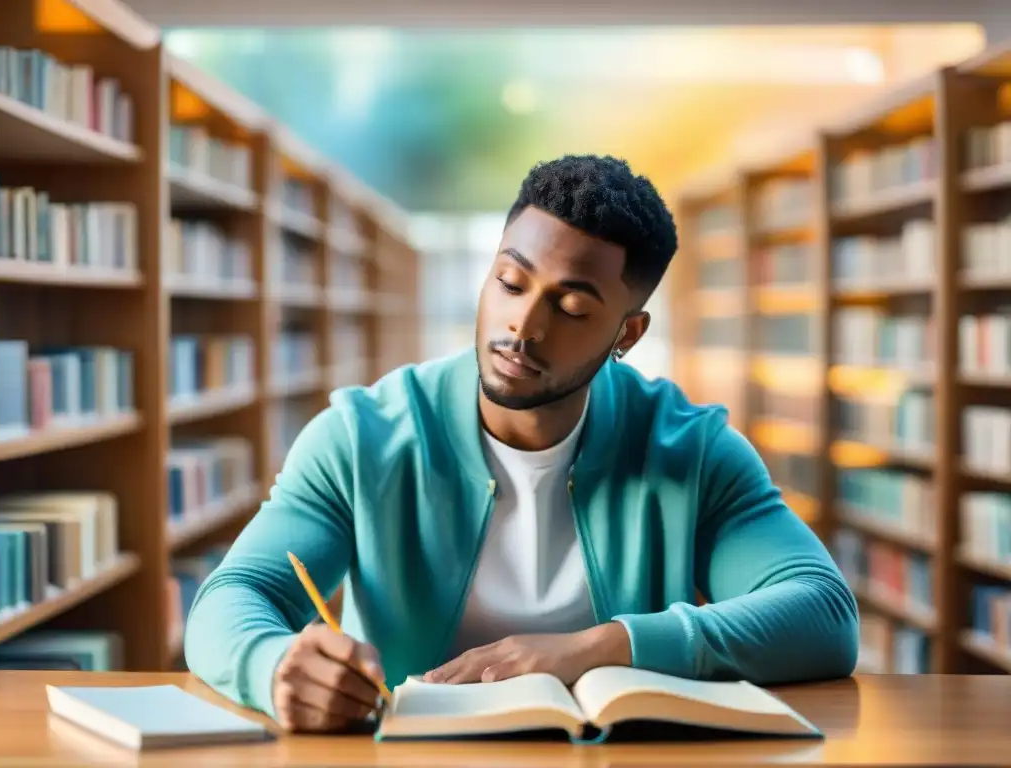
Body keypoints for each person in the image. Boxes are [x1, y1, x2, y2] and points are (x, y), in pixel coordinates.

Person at [184, 154, 859, 733]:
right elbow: (232, 597)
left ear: (626, 334)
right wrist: (271, 666)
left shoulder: (690, 448)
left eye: (570, 308)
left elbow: (823, 613)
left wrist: (598, 649)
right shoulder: (362, 436)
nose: (522, 326)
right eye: (510, 282)